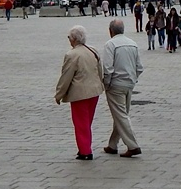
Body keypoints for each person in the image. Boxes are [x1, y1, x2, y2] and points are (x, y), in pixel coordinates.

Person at [54, 25, 105, 160]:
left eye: (69, 38)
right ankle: (85, 145)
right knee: (87, 122)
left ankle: (85, 151)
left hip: (79, 94)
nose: (69, 40)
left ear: (74, 39)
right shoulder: (93, 50)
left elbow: (66, 76)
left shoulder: (72, 55)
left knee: (80, 123)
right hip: (94, 92)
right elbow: (100, 70)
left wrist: (59, 94)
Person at [100, 19, 143, 157]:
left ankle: (133, 145)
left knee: (121, 115)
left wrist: (106, 84)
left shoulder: (110, 44)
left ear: (110, 31)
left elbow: (107, 68)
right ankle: (113, 144)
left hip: (116, 84)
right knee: (121, 114)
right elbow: (139, 67)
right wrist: (133, 78)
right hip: (129, 83)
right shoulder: (133, 43)